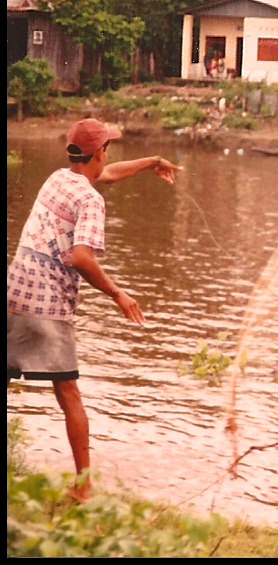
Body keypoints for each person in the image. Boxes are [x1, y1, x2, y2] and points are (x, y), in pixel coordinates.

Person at [7, 118, 183, 501]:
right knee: (69, 391)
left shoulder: (59, 179)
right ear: (99, 151)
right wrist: (118, 294)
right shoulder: (90, 200)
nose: (109, 155)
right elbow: (81, 257)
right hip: (48, 304)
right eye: (107, 148)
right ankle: (83, 487)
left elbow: (108, 175)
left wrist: (151, 160)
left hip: (14, 292)